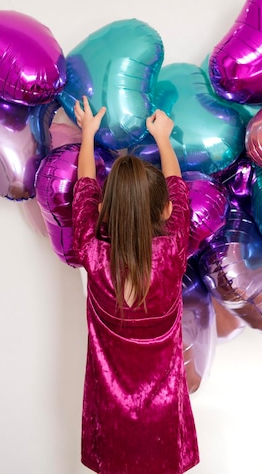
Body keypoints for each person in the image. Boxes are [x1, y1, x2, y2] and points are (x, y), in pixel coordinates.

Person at [71, 96, 200, 474]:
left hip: (111, 412)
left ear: (104, 212)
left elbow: (84, 190)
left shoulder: (92, 253)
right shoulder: (173, 249)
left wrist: (88, 135)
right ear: (162, 211)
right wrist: (163, 138)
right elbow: (178, 192)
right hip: (162, 413)